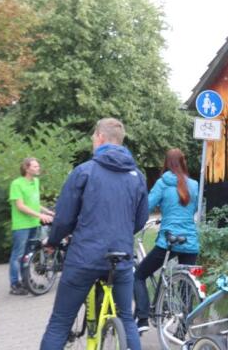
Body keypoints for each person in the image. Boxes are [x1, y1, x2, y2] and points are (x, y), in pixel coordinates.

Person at [40, 118, 148, 350]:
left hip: (84, 258)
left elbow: (64, 218)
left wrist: (54, 240)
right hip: (120, 258)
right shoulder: (137, 176)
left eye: (92, 138)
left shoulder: (84, 171)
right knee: (127, 319)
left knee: (60, 322)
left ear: (99, 137)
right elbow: (139, 221)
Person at [134, 148, 199, 333]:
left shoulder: (162, 183)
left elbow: (146, 207)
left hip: (168, 241)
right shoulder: (194, 185)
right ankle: (183, 330)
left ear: (166, 163)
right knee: (186, 287)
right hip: (190, 242)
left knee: (138, 276)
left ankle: (143, 319)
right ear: (184, 162)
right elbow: (192, 210)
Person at [8, 157, 55, 295]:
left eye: (37, 166)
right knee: (18, 255)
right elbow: (20, 206)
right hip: (22, 225)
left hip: (34, 224)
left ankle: (25, 281)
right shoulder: (17, 184)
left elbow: (34, 203)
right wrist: (40, 216)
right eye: (35, 166)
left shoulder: (36, 181)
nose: (38, 168)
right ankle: (14, 284)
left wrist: (47, 211)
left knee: (28, 254)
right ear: (26, 168)